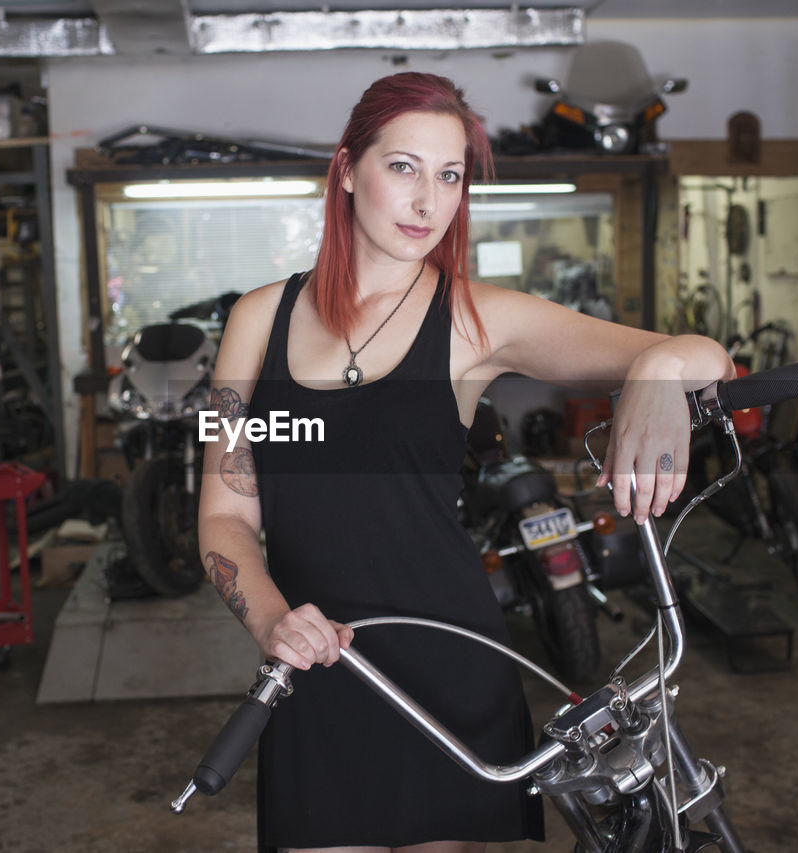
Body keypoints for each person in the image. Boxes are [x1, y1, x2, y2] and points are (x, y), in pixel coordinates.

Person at [196, 72, 734, 853]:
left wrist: (653, 376)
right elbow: (224, 510)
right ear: (348, 169)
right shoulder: (256, 320)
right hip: (312, 666)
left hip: (447, 666)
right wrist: (274, 618)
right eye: (404, 167)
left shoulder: (476, 320)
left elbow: (703, 354)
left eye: (449, 175)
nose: (428, 200)